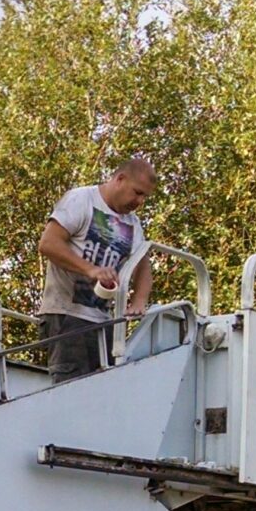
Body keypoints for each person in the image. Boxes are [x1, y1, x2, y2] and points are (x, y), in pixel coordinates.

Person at [35, 155, 157, 380]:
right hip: (66, 315)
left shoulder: (133, 224)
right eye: (137, 192)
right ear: (120, 179)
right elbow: (48, 244)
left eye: (145, 197)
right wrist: (90, 269)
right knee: (72, 388)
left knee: (105, 390)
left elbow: (143, 267)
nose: (140, 201)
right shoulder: (81, 200)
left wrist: (139, 301)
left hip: (104, 322)